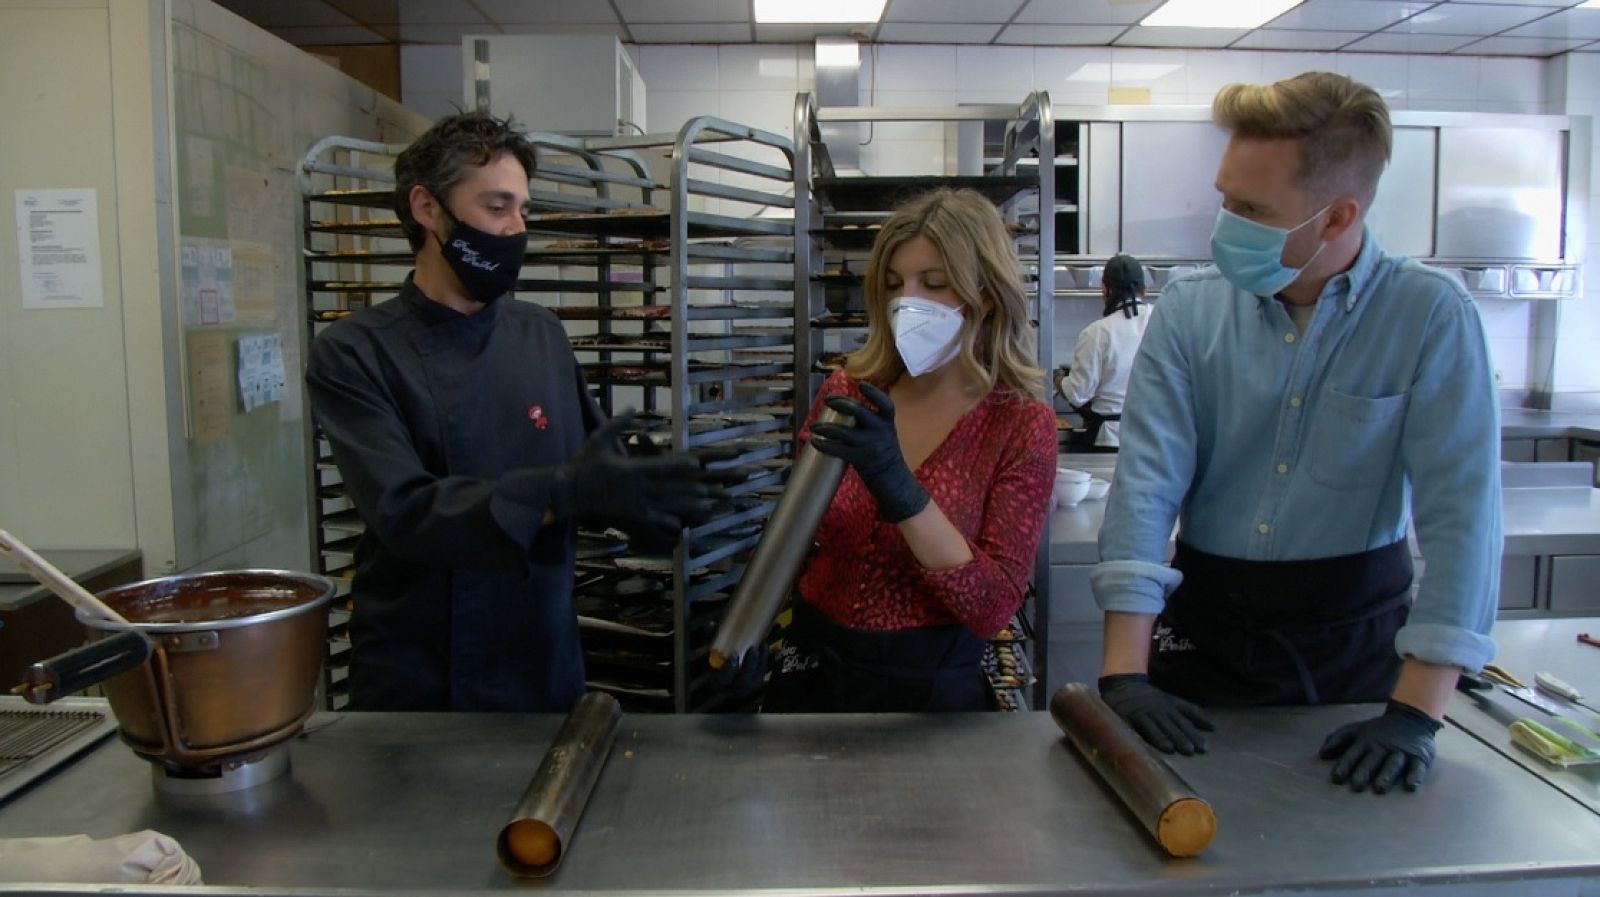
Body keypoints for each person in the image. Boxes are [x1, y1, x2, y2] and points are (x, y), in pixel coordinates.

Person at [1093, 72, 1501, 793]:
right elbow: (1147, 484)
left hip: (1353, 642)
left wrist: (1417, 711)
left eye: (1249, 209)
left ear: (1336, 218)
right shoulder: (1189, 311)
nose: (1225, 224)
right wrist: (1125, 671)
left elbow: (1463, 519)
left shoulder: (1429, 317)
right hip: (1207, 626)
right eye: (1225, 198)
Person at [306, 111, 723, 712]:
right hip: (422, 673)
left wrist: (659, 501)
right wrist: (560, 491)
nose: (515, 229)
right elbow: (404, 512)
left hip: (541, 658)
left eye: (522, 210)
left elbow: (592, 467)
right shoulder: (355, 352)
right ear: (427, 209)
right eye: (496, 208)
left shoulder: (540, 334)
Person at [751, 188, 1058, 712]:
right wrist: (748, 637)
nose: (905, 301)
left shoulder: (1019, 426)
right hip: (813, 670)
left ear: (984, 294)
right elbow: (797, 539)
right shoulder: (849, 394)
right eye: (894, 284)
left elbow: (991, 607)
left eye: (933, 284)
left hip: (931, 690)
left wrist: (901, 490)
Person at [1057, 254, 1151, 450]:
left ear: (1105, 289)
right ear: (1144, 290)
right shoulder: (1163, 320)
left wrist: (1058, 380)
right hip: (1154, 437)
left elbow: (1077, 394)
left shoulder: (1097, 332)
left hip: (1111, 439)